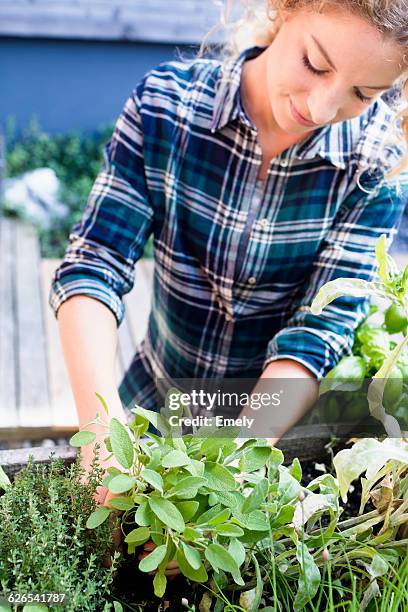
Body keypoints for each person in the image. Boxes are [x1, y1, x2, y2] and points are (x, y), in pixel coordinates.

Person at [50, 0, 407, 534]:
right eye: (314, 62)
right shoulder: (165, 107)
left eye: (363, 93)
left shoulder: (377, 162)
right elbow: (94, 262)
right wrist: (104, 433)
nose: (321, 105)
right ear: (283, 10)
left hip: (272, 435)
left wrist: (231, 470)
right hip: (153, 405)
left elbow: (317, 332)